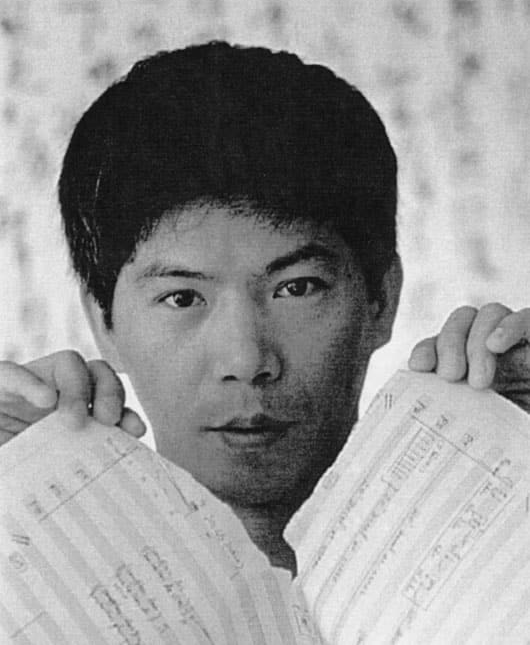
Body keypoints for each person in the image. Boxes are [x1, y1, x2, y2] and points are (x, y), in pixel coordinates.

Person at [0, 42, 528, 574]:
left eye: (296, 288)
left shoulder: (498, 554)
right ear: (104, 322)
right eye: (182, 298)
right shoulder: (37, 568)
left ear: (381, 300)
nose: (247, 360)